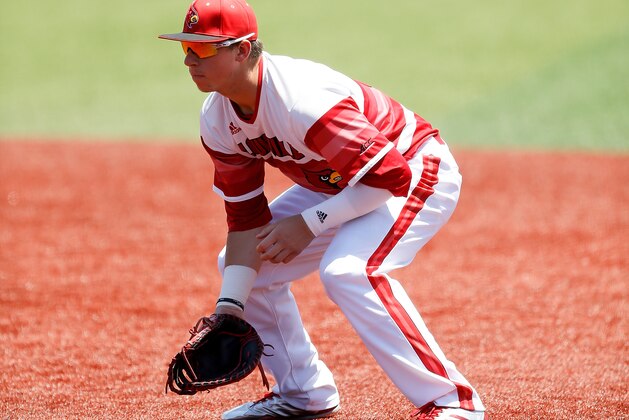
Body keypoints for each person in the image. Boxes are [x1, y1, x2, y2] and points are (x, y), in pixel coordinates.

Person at [159, 0, 485, 418]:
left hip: (416, 168)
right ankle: (303, 395)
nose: (189, 60)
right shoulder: (218, 120)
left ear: (242, 50)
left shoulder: (302, 101)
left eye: (202, 50)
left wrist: (310, 223)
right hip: (343, 184)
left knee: (349, 271)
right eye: (185, 49)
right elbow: (244, 219)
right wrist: (230, 309)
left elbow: (390, 177)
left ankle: (453, 403)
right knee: (241, 268)